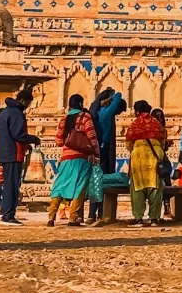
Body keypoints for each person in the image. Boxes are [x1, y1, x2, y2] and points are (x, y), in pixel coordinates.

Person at [48, 93, 97, 226]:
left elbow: (58, 141)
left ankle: (51, 217)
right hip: (82, 158)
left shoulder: (64, 119)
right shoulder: (85, 117)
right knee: (79, 187)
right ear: (81, 104)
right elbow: (92, 137)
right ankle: (73, 218)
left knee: (59, 186)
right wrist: (96, 154)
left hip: (65, 157)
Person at [87, 89, 127, 222]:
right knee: (104, 181)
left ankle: (94, 214)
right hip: (104, 150)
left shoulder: (97, 111)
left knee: (96, 181)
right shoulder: (106, 112)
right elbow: (118, 96)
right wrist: (109, 96)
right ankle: (100, 213)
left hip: (98, 150)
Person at [126, 100, 167, 225]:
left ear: (137, 111)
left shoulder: (135, 124)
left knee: (138, 188)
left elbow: (128, 144)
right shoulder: (156, 124)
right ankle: (154, 217)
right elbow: (163, 140)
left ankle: (138, 217)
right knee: (155, 186)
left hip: (138, 157)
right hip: (155, 155)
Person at [0, 91, 34, 225]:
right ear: (23, 101)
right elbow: (18, 134)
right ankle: (8, 215)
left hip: (5, 153)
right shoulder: (16, 113)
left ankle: (5, 211)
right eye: (28, 103)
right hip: (14, 153)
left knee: (8, 184)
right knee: (12, 185)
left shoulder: (5, 112)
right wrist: (33, 139)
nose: (28, 106)